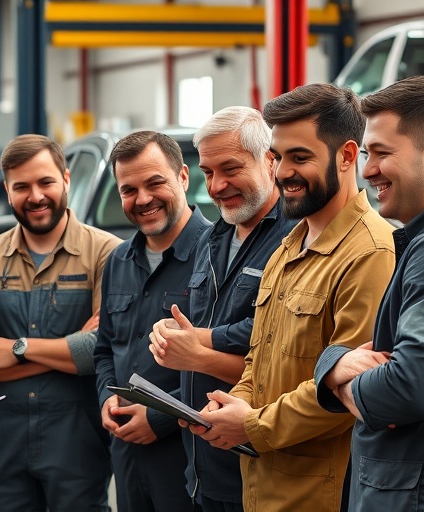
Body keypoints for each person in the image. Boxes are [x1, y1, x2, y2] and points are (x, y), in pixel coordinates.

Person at [187, 84, 396, 511]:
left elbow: (348, 391)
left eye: (300, 157)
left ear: (346, 155)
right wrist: (237, 401)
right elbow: (259, 359)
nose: (283, 172)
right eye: (279, 157)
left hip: (319, 493)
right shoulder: (288, 247)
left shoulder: (372, 252)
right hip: (262, 486)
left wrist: (250, 425)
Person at [315, 76, 424, 511]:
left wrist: (335, 375)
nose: (367, 170)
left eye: (381, 153)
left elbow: (411, 388)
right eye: (367, 153)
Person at [0, 134, 120, 512]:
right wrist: (67, 351)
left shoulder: (107, 254)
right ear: (7, 190)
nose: (35, 196)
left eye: (45, 182)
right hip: (3, 446)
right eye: (22, 186)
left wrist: (15, 349)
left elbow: (98, 353)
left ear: (65, 179)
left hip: (79, 444)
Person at [148, 106, 296, 512]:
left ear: (270, 162)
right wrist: (173, 332)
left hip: (259, 469)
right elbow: (202, 322)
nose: (216, 185)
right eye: (208, 172)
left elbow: (276, 334)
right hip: (202, 467)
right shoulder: (211, 239)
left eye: (230, 168)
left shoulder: (294, 239)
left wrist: (200, 344)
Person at [94, 130, 210, 512]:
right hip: (126, 457)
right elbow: (105, 349)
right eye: (128, 190)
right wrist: (107, 399)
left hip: (191, 458)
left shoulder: (217, 255)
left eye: (154, 183)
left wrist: (158, 418)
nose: (142, 199)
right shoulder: (118, 261)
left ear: (182, 177)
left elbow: (229, 365)